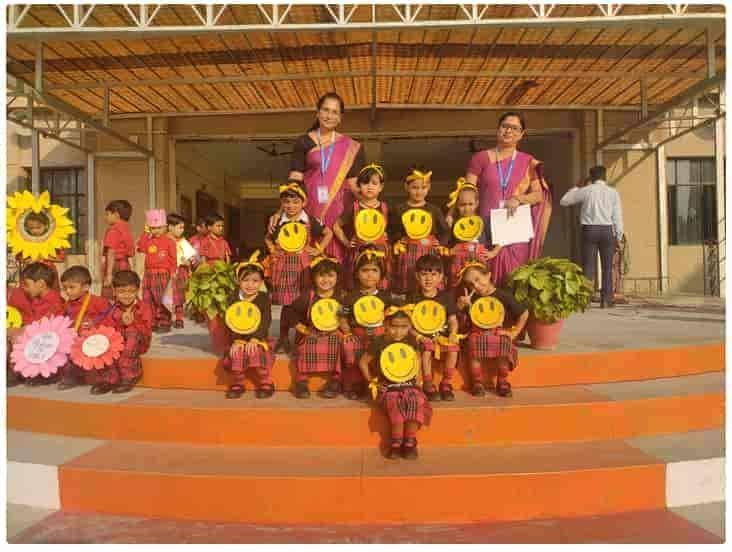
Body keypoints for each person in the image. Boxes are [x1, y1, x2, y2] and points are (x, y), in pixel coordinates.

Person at [462, 112, 552, 286]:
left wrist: (519, 199)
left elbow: (538, 195)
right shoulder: (480, 158)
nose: (509, 131)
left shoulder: (528, 162)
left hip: (514, 231)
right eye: (505, 126)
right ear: (498, 129)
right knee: (482, 281)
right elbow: (467, 192)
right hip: (484, 229)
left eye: (514, 128)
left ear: (521, 134)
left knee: (515, 281)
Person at [284, 92, 366, 262]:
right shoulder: (303, 142)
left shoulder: (350, 146)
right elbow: (295, 179)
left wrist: (371, 206)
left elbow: (354, 184)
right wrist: (281, 211)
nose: (329, 116)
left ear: (340, 117)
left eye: (334, 112)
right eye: (325, 110)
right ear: (318, 113)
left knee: (338, 262)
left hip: (339, 212)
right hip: (310, 210)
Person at [265, 182, 332, 353]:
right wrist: (273, 251)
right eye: (286, 202)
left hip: (304, 267)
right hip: (284, 267)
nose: (291, 206)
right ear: (282, 203)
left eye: (295, 202)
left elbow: (328, 233)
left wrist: (319, 249)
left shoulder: (310, 220)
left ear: (304, 202)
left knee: (302, 301)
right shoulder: (278, 222)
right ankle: (283, 337)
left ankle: (300, 337)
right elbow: (268, 238)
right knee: (286, 304)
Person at [358, 303, 431, 460]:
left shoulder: (411, 340)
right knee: (395, 402)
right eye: (394, 327)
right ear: (386, 325)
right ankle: (396, 442)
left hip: (409, 384)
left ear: (410, 326)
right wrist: (372, 382)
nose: (398, 331)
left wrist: (418, 380)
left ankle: (410, 441)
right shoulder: (379, 342)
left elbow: (417, 360)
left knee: (416, 400)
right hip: (388, 386)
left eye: (404, 327)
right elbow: (363, 362)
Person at [458, 262, 528, 398]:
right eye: (471, 284)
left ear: (488, 275)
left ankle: (502, 381)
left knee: (503, 343)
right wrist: (461, 306)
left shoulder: (503, 296)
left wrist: (514, 332)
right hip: (477, 332)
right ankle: (477, 382)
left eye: (477, 279)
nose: (476, 286)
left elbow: (524, 313)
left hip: (497, 332)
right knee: (473, 343)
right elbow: (463, 319)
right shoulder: (471, 298)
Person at [559, 165, 624, 308]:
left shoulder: (586, 190)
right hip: (607, 230)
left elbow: (564, 201)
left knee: (588, 266)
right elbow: (617, 216)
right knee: (607, 267)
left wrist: (577, 186)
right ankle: (606, 300)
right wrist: (619, 236)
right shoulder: (613, 193)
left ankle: (586, 299)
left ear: (591, 177)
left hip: (589, 230)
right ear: (605, 176)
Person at [338, 248, 393, 400]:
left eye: (374, 270)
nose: (370, 275)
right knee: (351, 349)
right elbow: (342, 317)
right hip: (358, 334)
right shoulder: (350, 297)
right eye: (365, 270)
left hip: (380, 334)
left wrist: (387, 332)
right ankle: (355, 384)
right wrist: (347, 332)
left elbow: (391, 318)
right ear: (357, 273)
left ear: (381, 274)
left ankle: (379, 382)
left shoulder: (386, 297)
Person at [388, 165, 450, 295]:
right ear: (406, 187)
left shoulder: (434, 210)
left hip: (429, 251)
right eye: (415, 187)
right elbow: (392, 230)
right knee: (407, 283)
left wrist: (440, 243)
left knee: (428, 281)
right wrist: (398, 241)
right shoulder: (399, 209)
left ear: (429, 187)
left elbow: (445, 231)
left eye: (423, 187)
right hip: (407, 252)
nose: (419, 191)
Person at [221, 252, 275, 400]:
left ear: (261, 282)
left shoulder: (263, 299)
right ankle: (238, 383)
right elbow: (230, 321)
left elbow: (265, 321)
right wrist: (236, 340)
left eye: (255, 281)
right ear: (238, 280)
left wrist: (255, 338)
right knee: (236, 353)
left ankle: (265, 382)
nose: (250, 285)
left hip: (258, 338)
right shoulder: (233, 298)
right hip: (238, 338)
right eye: (245, 280)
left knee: (256, 351)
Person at [408, 254, 460, 402]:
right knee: (426, 349)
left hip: (441, 336)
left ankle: (446, 383)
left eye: (433, 274)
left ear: (441, 277)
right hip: (421, 336)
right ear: (417, 276)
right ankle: (428, 383)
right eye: (424, 274)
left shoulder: (446, 297)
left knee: (454, 348)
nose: (428, 279)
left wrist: (453, 333)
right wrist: (419, 336)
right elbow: (407, 325)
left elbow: (453, 320)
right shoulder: (412, 298)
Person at [291, 256, 343, 399]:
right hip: (312, 332)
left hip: (334, 332)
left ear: (337, 277)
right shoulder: (308, 296)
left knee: (339, 345)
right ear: (314, 277)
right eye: (321, 276)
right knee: (307, 343)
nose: (326, 280)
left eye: (330, 276)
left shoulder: (341, 296)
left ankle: (336, 380)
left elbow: (348, 315)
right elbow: (291, 312)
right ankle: (301, 381)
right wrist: (301, 328)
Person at [93, 270, 153, 395]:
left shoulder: (143, 307)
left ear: (137, 290)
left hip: (138, 341)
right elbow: (106, 326)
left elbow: (146, 331)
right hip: (119, 341)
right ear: (114, 292)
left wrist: (132, 323)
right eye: (122, 292)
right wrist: (120, 322)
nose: (127, 295)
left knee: (131, 333)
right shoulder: (113, 308)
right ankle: (109, 378)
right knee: (104, 339)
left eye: (131, 291)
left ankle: (131, 375)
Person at [333, 163, 391, 290]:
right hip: (359, 251)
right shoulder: (354, 207)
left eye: (374, 183)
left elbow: (393, 229)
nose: (369, 187)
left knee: (379, 284)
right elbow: (336, 225)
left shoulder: (385, 207)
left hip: (380, 251)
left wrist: (388, 236)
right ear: (359, 186)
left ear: (381, 187)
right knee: (358, 285)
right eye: (365, 183)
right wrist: (347, 242)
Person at [7, 262, 64, 386]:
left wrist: (22, 330)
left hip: (49, 339)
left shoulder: (54, 300)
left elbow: (45, 324)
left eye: (27, 285)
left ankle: (22, 373)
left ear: (41, 284)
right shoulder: (36, 299)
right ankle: (18, 372)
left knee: (17, 336)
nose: (24, 289)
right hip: (37, 334)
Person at [58, 266, 112, 390]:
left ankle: (103, 379)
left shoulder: (97, 302)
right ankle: (71, 377)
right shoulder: (67, 304)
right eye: (65, 288)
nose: (67, 291)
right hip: (75, 339)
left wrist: (95, 323)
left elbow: (109, 316)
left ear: (86, 287)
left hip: (93, 339)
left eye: (72, 287)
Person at [445, 178, 502, 289]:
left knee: (480, 288)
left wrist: (493, 252)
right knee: (459, 289)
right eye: (462, 205)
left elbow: (499, 237)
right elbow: (447, 243)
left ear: (477, 203)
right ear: (457, 205)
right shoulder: (454, 223)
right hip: (459, 265)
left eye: (470, 204)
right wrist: (451, 251)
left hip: (479, 265)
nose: (467, 208)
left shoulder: (483, 221)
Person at [137, 209, 177, 333]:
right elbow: (141, 247)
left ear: (165, 227)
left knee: (162, 298)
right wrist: (145, 232)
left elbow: (173, 258)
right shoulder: (148, 241)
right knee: (148, 298)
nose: (156, 230)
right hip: (149, 273)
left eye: (159, 227)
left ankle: (164, 321)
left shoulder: (170, 241)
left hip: (163, 273)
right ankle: (152, 321)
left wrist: (173, 271)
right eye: (153, 228)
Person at [16, 211, 66, 290]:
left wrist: (42, 257)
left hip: (48, 272)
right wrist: (27, 260)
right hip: (30, 272)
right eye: (31, 228)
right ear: (27, 228)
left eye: (38, 227)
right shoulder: (24, 239)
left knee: (49, 292)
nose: (35, 231)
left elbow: (61, 258)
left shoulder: (52, 238)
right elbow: (19, 257)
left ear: (46, 226)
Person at [101, 200, 134, 300]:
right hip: (125, 264)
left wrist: (109, 274)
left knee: (111, 295)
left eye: (107, 214)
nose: (105, 217)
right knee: (125, 292)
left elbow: (111, 252)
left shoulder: (114, 230)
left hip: (115, 265)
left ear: (116, 215)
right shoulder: (126, 228)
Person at [167, 213, 194, 329]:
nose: (182, 230)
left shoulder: (183, 242)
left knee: (179, 295)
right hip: (167, 272)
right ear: (170, 227)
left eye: (183, 228)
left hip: (180, 271)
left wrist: (187, 263)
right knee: (167, 295)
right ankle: (166, 318)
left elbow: (191, 259)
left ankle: (179, 318)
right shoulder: (163, 241)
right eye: (180, 227)